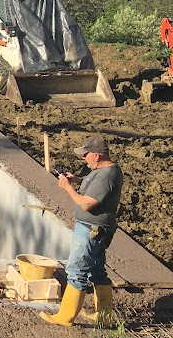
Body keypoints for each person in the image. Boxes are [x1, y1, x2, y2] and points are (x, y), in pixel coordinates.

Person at [42, 136, 123, 327]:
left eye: (86, 155)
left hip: (91, 231)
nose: (83, 158)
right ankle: (104, 316)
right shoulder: (104, 170)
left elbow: (87, 204)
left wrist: (68, 187)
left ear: (97, 155)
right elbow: (96, 186)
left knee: (76, 271)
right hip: (97, 229)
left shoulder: (106, 175)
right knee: (96, 271)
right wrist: (78, 179)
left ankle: (66, 317)